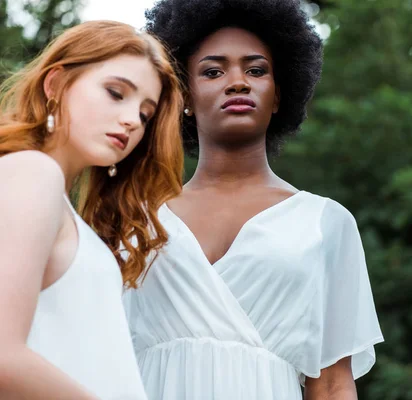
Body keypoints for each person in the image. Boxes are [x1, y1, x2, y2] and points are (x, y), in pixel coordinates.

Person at [123, 1, 384, 399]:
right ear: (184, 96)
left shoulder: (324, 223)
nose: (238, 82)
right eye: (213, 71)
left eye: (256, 70)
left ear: (278, 94)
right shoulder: (137, 219)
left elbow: (331, 385)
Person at [0, 20, 183, 399]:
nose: (133, 120)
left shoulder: (53, 196)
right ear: (55, 84)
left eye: (146, 114)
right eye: (116, 93)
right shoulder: (34, 172)